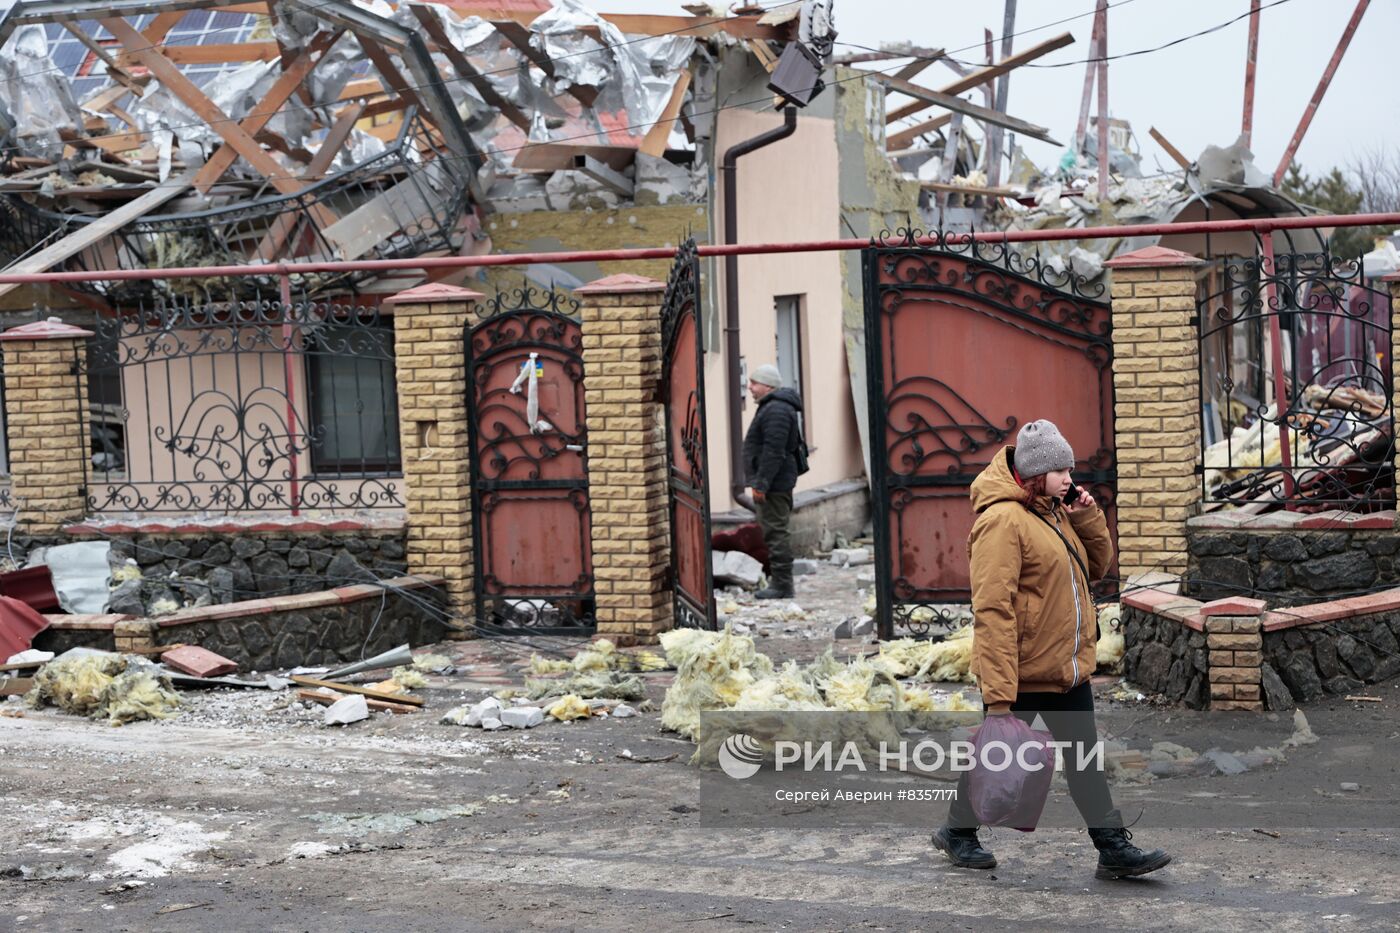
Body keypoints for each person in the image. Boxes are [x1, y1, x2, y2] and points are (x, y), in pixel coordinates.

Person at [931, 419, 1173, 880]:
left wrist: (1085, 515)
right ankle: (958, 833)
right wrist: (1000, 696)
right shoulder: (1002, 521)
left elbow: (1096, 568)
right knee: (997, 758)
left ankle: (1112, 849)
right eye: (1061, 470)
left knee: (1085, 761)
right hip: (1022, 672)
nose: (1070, 477)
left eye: (1070, 468)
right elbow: (992, 609)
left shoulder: (1053, 511)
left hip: (1066, 668)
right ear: (1036, 472)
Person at [742, 364, 803, 600]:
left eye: (754, 383)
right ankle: (780, 582)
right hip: (775, 480)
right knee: (775, 530)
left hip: (774, 483)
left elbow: (773, 451)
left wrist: (761, 484)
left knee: (776, 532)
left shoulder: (776, 410)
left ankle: (783, 585)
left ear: (767, 385)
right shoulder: (773, 407)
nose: (750, 387)